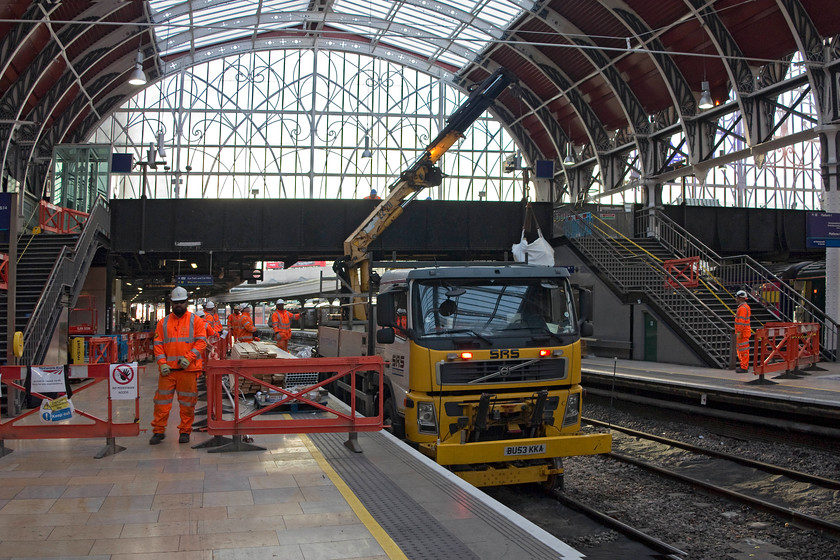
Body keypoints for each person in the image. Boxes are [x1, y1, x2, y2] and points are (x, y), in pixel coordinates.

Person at [150, 286, 207, 445]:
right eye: (176, 302)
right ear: (171, 303)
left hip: (187, 370)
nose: (179, 305)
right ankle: (158, 431)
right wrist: (162, 363)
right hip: (167, 372)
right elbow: (158, 344)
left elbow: (201, 342)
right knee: (161, 403)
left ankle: (185, 431)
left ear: (186, 302)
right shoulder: (163, 322)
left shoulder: (195, 321)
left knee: (187, 404)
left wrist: (189, 358)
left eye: (181, 302)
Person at [734, 290, 752, 373]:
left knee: (743, 350)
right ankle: (743, 365)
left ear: (740, 298)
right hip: (743, 332)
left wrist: (738, 332)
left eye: (736, 298)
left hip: (742, 333)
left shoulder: (742, 309)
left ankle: (744, 367)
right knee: (741, 350)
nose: (736, 299)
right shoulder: (744, 307)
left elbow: (741, 322)